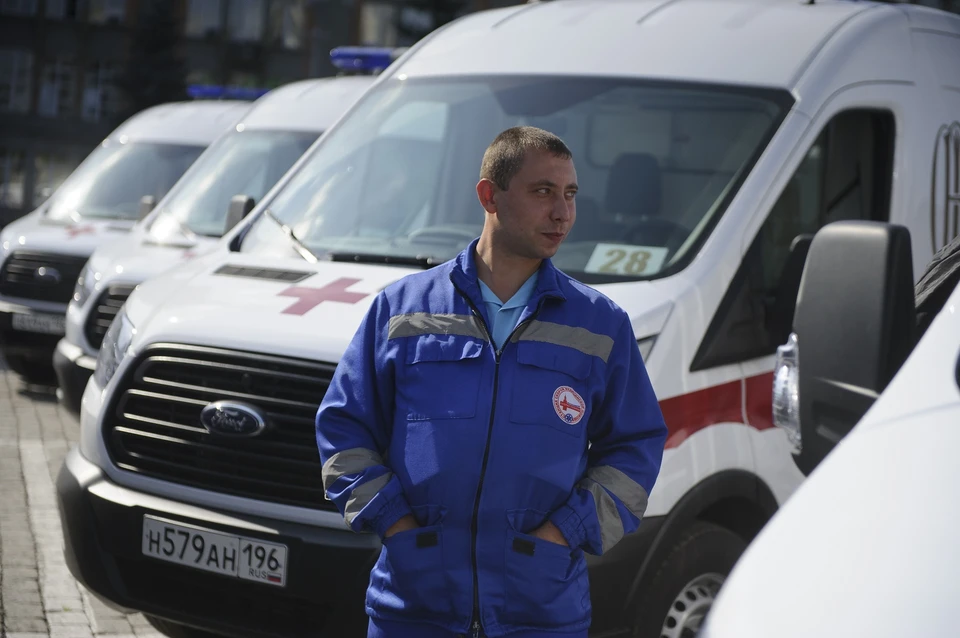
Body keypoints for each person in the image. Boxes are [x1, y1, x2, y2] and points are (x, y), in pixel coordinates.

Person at [316, 126, 668, 638]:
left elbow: (635, 449)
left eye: (570, 195)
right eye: (543, 191)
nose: (562, 213)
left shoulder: (600, 324)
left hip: (541, 613)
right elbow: (343, 430)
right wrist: (397, 526)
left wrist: (562, 534)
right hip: (413, 609)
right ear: (489, 195)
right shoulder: (401, 308)